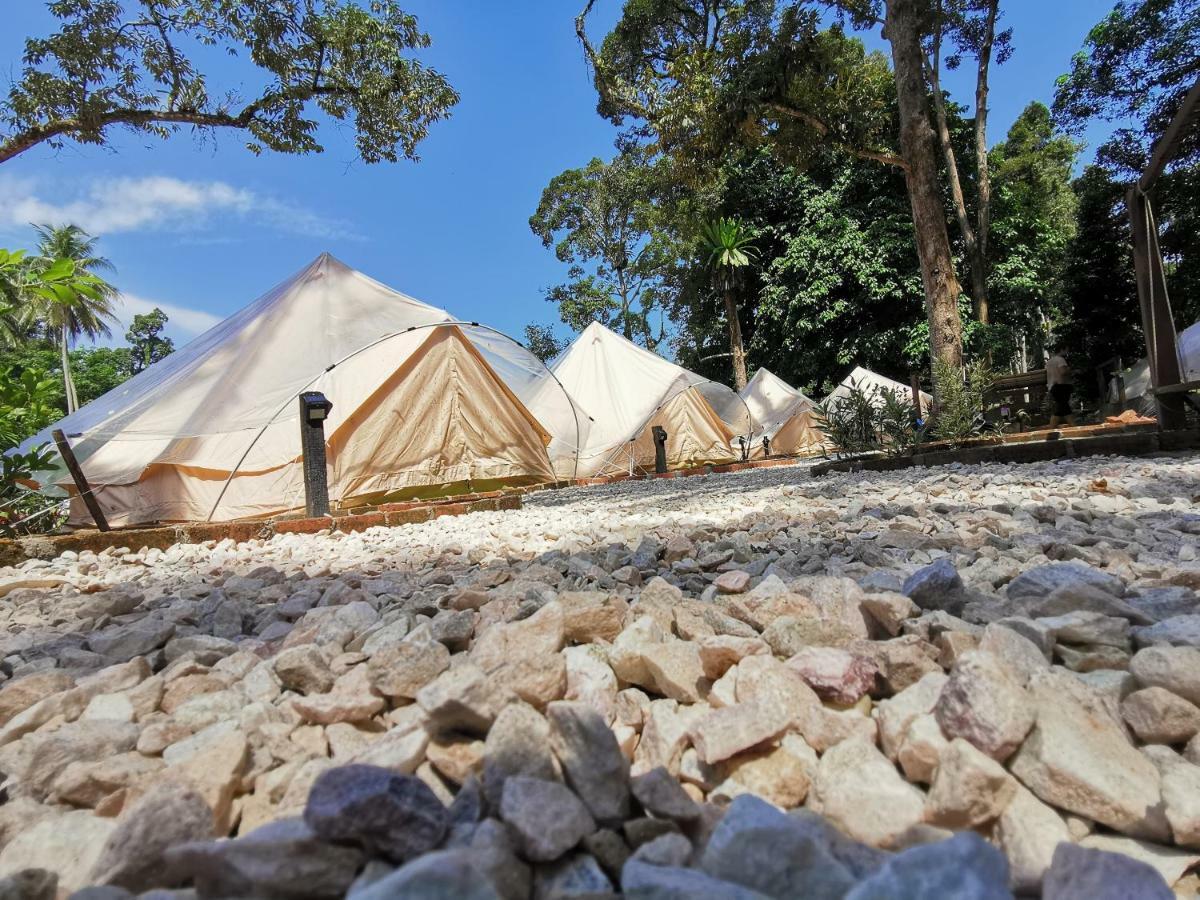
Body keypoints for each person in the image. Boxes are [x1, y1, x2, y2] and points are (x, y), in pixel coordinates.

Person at [1046, 348, 1074, 427]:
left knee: (1062, 408)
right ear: (1061, 350)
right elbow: (1063, 372)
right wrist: (1070, 369)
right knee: (1062, 407)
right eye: (1066, 350)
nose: (1067, 352)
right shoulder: (1061, 360)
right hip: (1061, 386)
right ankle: (1074, 426)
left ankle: (1053, 428)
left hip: (1052, 386)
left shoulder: (1049, 362)